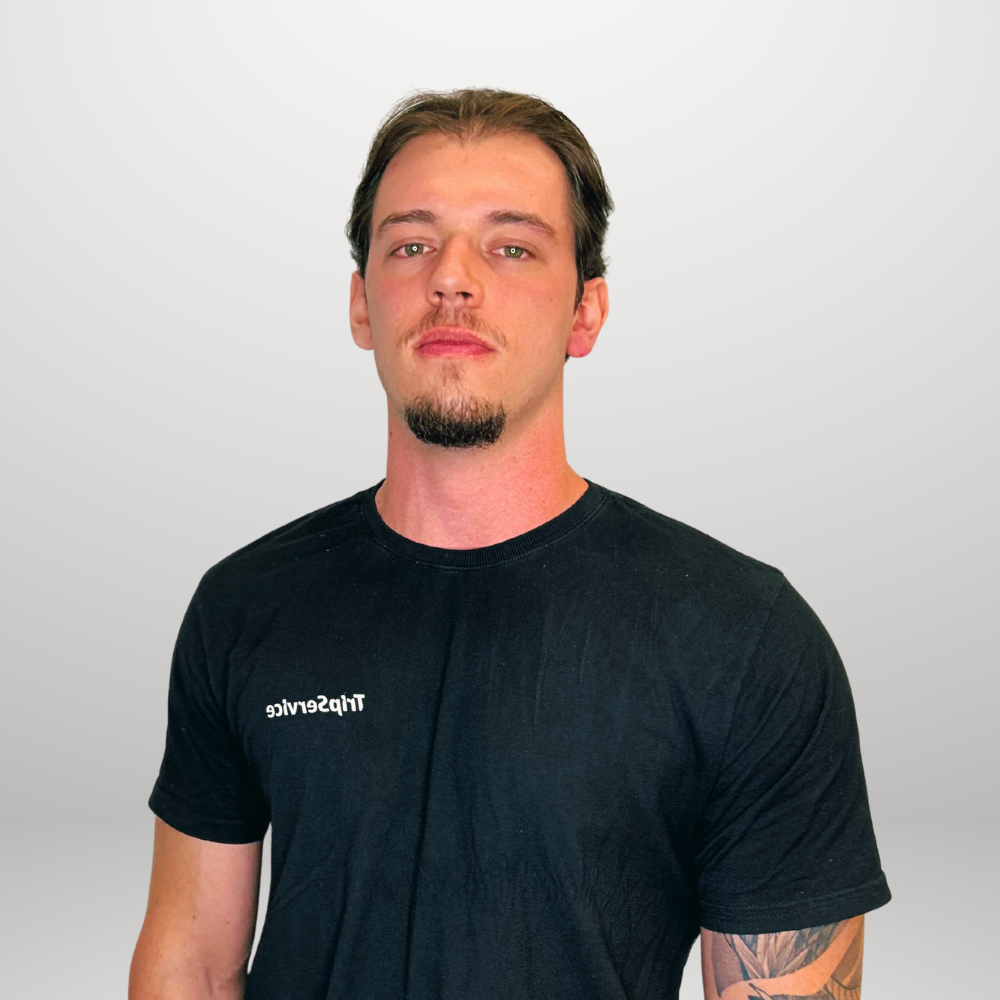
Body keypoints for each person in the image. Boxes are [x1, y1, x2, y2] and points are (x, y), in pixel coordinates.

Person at [129, 89, 889, 1000]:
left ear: (585, 313)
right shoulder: (246, 606)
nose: (452, 278)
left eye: (512, 247)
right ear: (362, 305)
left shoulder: (744, 639)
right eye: (411, 245)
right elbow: (192, 963)